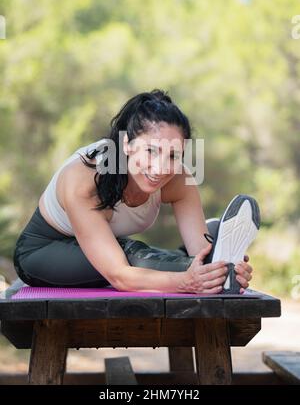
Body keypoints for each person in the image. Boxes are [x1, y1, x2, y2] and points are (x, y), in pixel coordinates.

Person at [13, 89, 254, 294]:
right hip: (42, 253)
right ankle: (218, 269)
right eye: (151, 151)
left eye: (173, 155)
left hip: (113, 252)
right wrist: (188, 281)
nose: (161, 167)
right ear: (127, 143)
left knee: (208, 244)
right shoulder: (84, 178)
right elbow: (119, 275)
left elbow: (198, 251)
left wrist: (225, 268)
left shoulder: (178, 178)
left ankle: (222, 265)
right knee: (130, 254)